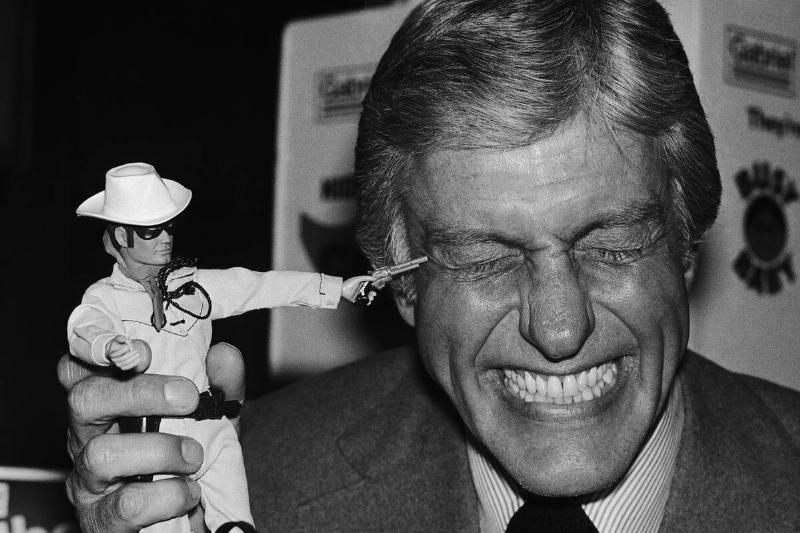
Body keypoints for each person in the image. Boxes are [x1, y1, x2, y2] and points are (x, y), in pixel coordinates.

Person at [59, 0, 800, 531]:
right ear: (401, 281)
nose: (560, 326)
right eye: (482, 257)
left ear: (686, 240)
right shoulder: (258, 487)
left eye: (612, 246)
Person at [65, 162, 389, 532]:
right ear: (122, 236)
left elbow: (260, 286)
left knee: (237, 523)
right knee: (160, 521)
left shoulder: (195, 285)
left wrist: (338, 288)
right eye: (152, 230)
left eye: (168, 226)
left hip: (212, 426)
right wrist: (109, 346)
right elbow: (83, 326)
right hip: (156, 442)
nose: (166, 238)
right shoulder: (107, 297)